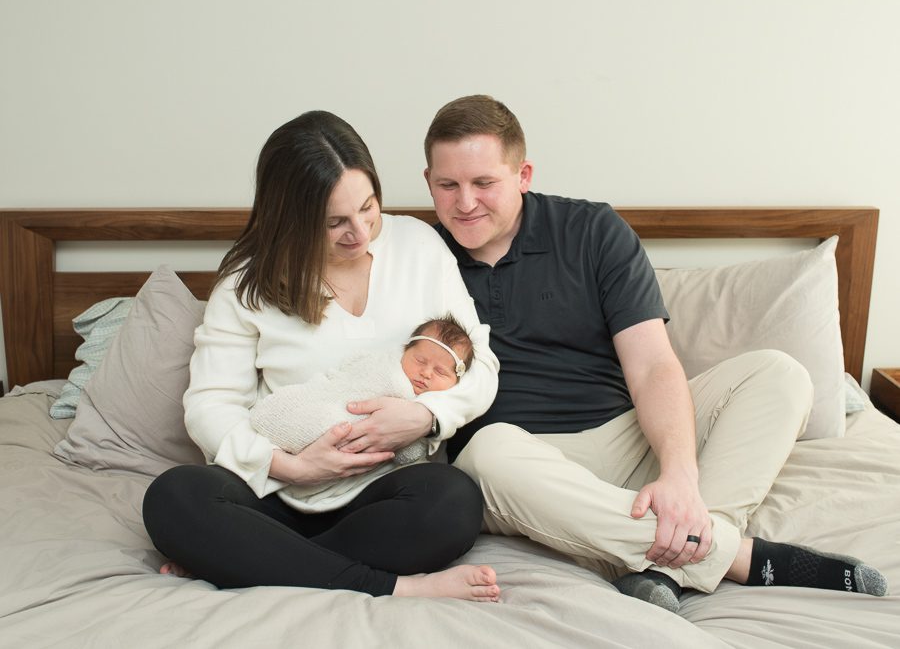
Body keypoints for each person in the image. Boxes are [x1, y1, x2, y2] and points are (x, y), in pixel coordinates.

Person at [421, 94, 887, 612]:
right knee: (485, 451)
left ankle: (669, 559)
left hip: (630, 436)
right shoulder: (419, 262)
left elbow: (653, 365)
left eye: (484, 183)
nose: (465, 203)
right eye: (448, 185)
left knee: (780, 373)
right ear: (429, 182)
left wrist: (679, 475)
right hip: (527, 467)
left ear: (523, 174)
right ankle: (733, 555)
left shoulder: (592, 231)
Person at [142, 110, 501, 603]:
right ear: (291, 218)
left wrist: (423, 415)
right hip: (274, 493)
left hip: (380, 493)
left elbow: (480, 364)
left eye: (369, 208)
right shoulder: (246, 283)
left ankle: (251, 558)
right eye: (334, 222)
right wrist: (292, 468)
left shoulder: (420, 247)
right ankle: (389, 587)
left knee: (453, 502)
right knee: (174, 498)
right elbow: (210, 404)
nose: (359, 232)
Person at [250, 315, 475, 511]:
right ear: (405, 351)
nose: (425, 373)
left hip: (365, 486)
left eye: (440, 372)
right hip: (322, 410)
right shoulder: (383, 367)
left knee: (450, 496)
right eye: (420, 360)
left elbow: (407, 451)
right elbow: (348, 376)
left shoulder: (435, 403)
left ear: (457, 383)